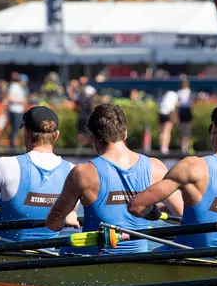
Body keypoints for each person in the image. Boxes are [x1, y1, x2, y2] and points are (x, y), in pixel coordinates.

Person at [46, 104, 183, 254]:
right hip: (139, 262)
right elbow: (181, 214)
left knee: (63, 249)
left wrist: (69, 216)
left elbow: (53, 224)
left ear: (94, 138)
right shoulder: (155, 167)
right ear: (125, 133)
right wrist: (154, 210)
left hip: (92, 263)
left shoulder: (82, 173)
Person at [128, 101, 217, 252]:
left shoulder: (192, 167)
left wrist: (153, 213)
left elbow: (136, 206)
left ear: (214, 128)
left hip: (184, 260)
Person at [0, 106, 79, 241]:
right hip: (48, 251)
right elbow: (70, 212)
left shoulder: (5, 165)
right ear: (56, 135)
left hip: (3, 251)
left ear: (27, 133)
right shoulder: (72, 171)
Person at [7, 73, 28, 147]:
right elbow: (10, 98)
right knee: (15, 128)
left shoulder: (22, 88)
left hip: (19, 110)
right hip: (14, 110)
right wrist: (21, 101)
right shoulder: (14, 86)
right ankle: (12, 145)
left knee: (18, 127)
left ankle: (14, 144)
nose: (24, 83)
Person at [157, 89, 178, 154]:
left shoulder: (166, 93)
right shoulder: (175, 94)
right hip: (168, 112)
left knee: (162, 131)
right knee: (167, 131)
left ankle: (161, 146)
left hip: (161, 112)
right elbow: (176, 104)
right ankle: (165, 148)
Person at [177, 79, 193, 154]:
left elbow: (178, 102)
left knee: (183, 128)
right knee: (187, 128)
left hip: (182, 110)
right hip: (186, 109)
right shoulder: (189, 91)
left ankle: (184, 146)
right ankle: (185, 146)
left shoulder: (179, 92)